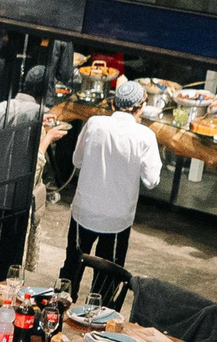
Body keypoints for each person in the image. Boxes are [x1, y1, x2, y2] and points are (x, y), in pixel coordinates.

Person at [63, 79, 162, 292]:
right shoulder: (145, 136)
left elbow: (76, 161)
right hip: (117, 219)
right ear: (141, 108)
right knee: (107, 280)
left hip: (84, 212)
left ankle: (58, 315)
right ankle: (97, 321)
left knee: (71, 270)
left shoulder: (94, 123)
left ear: (112, 104)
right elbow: (152, 181)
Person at [0, 67, 49, 281]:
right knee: (11, 252)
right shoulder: (39, 114)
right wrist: (49, 138)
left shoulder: (3, 106)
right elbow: (38, 157)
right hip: (20, 193)